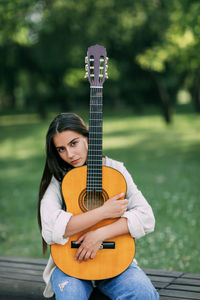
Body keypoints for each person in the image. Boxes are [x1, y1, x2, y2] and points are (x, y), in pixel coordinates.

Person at [38, 112, 159, 300]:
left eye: (73, 143)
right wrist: (103, 212)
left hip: (115, 260)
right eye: (61, 149)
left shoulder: (115, 169)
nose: (69, 154)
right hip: (71, 262)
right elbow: (50, 228)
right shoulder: (59, 179)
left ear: (88, 137)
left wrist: (99, 234)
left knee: (144, 294)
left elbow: (146, 216)